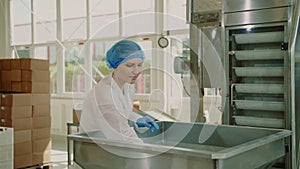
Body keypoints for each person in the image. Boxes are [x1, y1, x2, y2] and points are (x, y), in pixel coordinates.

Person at [79, 39, 159, 143]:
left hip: (112, 143)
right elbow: (121, 131)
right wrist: (148, 151)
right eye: (129, 65)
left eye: (139, 65)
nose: (136, 71)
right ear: (115, 66)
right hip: (95, 146)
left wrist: (137, 119)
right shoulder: (103, 92)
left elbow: (122, 113)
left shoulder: (128, 86)